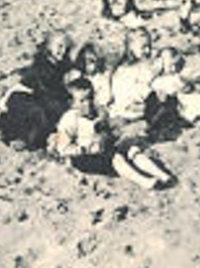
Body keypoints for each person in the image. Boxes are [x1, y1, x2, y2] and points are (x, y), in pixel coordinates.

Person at [47, 77, 175, 190]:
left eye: (90, 98)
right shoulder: (70, 120)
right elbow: (63, 149)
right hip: (84, 157)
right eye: (82, 100)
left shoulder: (100, 111)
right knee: (116, 159)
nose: (88, 104)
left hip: (105, 145)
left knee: (132, 149)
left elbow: (108, 127)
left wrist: (111, 133)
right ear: (72, 103)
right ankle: (145, 181)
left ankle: (161, 175)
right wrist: (85, 149)